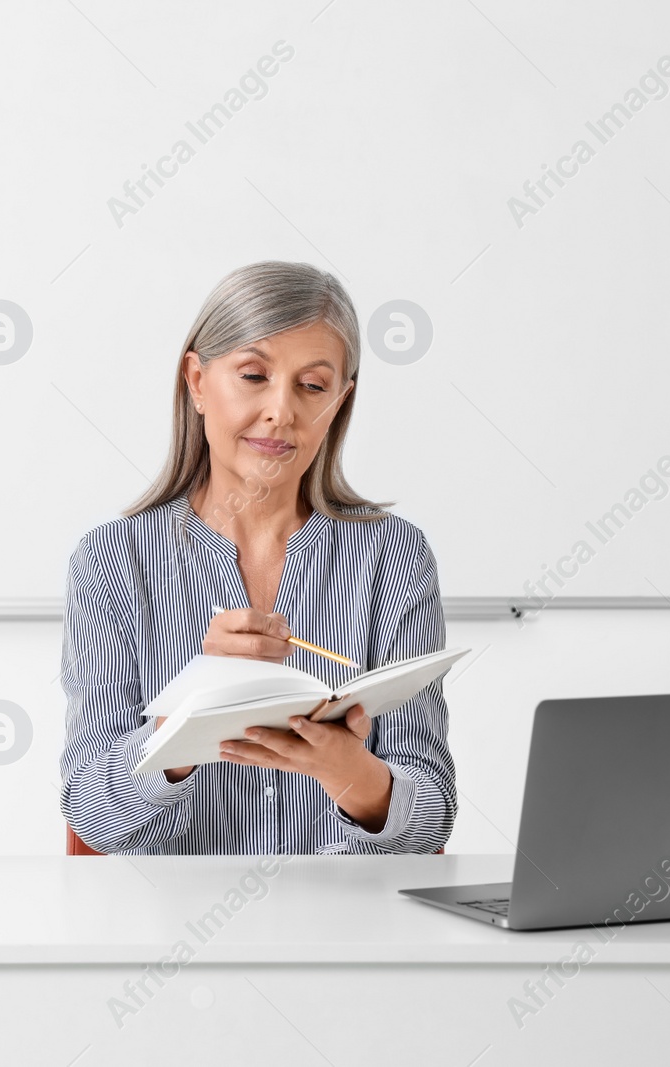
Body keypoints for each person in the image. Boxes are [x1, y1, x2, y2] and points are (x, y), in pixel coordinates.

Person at [58, 260, 456, 854]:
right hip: (167, 929)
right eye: (253, 375)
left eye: (313, 385)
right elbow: (93, 816)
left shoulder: (393, 556)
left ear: (340, 403)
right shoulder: (114, 559)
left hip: (340, 929)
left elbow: (430, 822)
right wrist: (191, 714)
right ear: (196, 381)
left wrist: (349, 771)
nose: (281, 411)